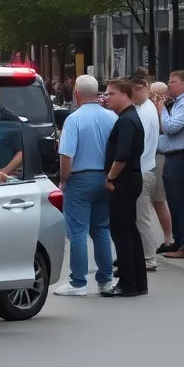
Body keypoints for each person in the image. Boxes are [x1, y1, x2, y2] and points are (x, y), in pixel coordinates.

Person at [53, 76, 118, 297]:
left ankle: (78, 282)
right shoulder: (111, 117)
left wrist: (63, 179)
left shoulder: (74, 119)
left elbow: (66, 155)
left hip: (80, 178)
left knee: (78, 232)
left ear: (76, 93)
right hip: (106, 176)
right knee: (101, 229)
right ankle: (106, 280)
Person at [100, 79, 146, 297]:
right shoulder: (128, 118)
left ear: (125, 95)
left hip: (124, 180)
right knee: (130, 230)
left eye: (111, 94)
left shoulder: (127, 120)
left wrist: (110, 177)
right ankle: (138, 282)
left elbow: (123, 155)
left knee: (121, 232)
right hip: (130, 179)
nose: (107, 98)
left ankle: (128, 283)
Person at [157, 70, 184, 259]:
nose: (169, 85)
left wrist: (161, 109)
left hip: (180, 157)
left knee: (182, 201)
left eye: (173, 82)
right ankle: (178, 240)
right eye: (169, 80)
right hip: (170, 156)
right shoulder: (176, 103)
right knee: (173, 201)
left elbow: (171, 128)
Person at [131, 76, 163, 273]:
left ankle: (149, 258)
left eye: (133, 90)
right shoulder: (145, 108)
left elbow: (139, 144)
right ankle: (142, 255)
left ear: (142, 88)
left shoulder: (145, 112)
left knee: (142, 217)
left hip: (142, 169)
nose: (131, 94)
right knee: (140, 216)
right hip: (146, 167)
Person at [147, 81, 174, 255]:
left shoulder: (166, 108)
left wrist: (160, 107)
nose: (152, 97)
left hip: (158, 156)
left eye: (154, 94)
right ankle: (168, 237)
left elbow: (165, 128)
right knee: (155, 201)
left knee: (158, 199)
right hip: (151, 155)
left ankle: (168, 237)